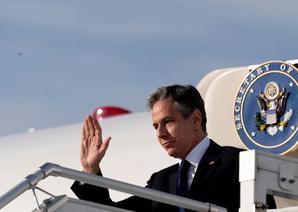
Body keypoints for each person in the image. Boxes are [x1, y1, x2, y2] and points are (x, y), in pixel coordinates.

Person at [71, 84, 276, 211]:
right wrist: (91, 171)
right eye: (155, 126)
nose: (160, 133)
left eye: (168, 122)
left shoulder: (236, 162)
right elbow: (113, 211)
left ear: (196, 120)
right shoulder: (161, 181)